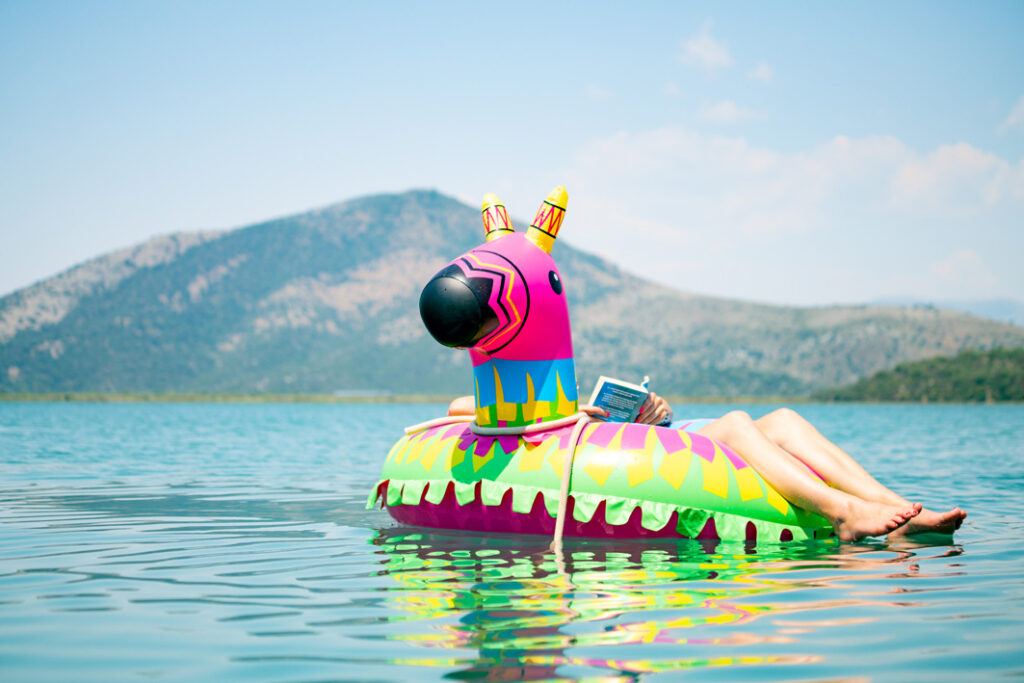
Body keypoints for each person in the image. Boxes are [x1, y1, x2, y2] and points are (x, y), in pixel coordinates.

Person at [447, 392, 966, 542]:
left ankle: (898, 509)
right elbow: (457, 409)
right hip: (660, 451)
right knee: (737, 422)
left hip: (667, 434)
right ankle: (842, 512)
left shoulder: (563, 374)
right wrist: (571, 409)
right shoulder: (525, 394)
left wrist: (657, 409)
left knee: (785, 419)